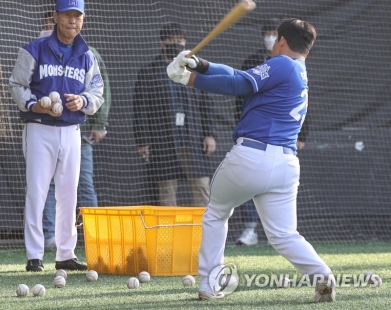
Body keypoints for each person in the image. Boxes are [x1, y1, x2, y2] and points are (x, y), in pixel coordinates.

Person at [167, 18, 335, 302]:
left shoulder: (281, 64)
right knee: (284, 235)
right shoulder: (298, 69)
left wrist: (188, 79)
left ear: (282, 41)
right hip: (285, 164)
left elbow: (238, 83)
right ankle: (323, 277)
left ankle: (209, 284)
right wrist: (199, 65)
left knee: (216, 213)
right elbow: (239, 74)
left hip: (251, 156)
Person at [9, 0, 104, 272]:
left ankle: (65, 254)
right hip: (39, 129)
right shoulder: (34, 49)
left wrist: (83, 101)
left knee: (68, 194)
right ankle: (34, 255)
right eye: (67, 15)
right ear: (55, 17)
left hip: (72, 130)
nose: (72, 21)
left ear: (83, 20)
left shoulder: (87, 55)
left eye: (77, 16)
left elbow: (97, 92)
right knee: (37, 192)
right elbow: (16, 84)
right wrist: (33, 104)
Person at [38, 11, 112, 251]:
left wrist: (99, 124)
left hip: (79, 132)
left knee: (84, 184)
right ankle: (50, 237)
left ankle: (95, 235)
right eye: (51, 22)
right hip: (45, 131)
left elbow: (102, 91)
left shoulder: (89, 54)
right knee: (47, 185)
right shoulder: (38, 51)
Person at [235, 18, 310, 246]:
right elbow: (240, 94)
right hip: (254, 137)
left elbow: (300, 101)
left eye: (274, 34)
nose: (271, 38)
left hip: (284, 141)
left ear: (283, 40)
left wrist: (301, 135)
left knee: (278, 203)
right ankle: (250, 230)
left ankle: (279, 235)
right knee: (244, 188)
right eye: (267, 33)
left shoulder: (292, 64)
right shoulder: (253, 61)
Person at [133, 23, 217, 207]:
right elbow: (140, 108)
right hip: (163, 139)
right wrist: (143, 141)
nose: (177, 44)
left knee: (202, 187)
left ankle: (204, 234)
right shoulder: (149, 72)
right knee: (167, 190)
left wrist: (209, 134)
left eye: (180, 41)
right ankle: (168, 235)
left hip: (193, 138)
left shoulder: (194, 68)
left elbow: (206, 105)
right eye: (172, 41)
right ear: (162, 43)